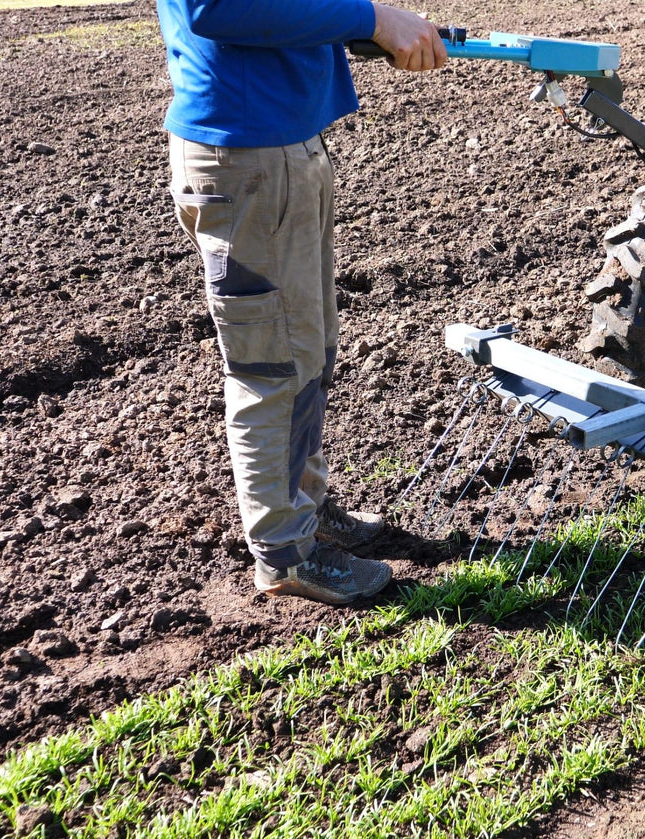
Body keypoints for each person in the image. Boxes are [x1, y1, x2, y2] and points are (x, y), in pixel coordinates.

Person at [156, 1, 447, 603]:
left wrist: (365, 24)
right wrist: (371, 20)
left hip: (284, 145)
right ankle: (286, 553)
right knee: (274, 366)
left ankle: (305, 507)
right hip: (249, 154)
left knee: (308, 352)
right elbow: (220, 7)